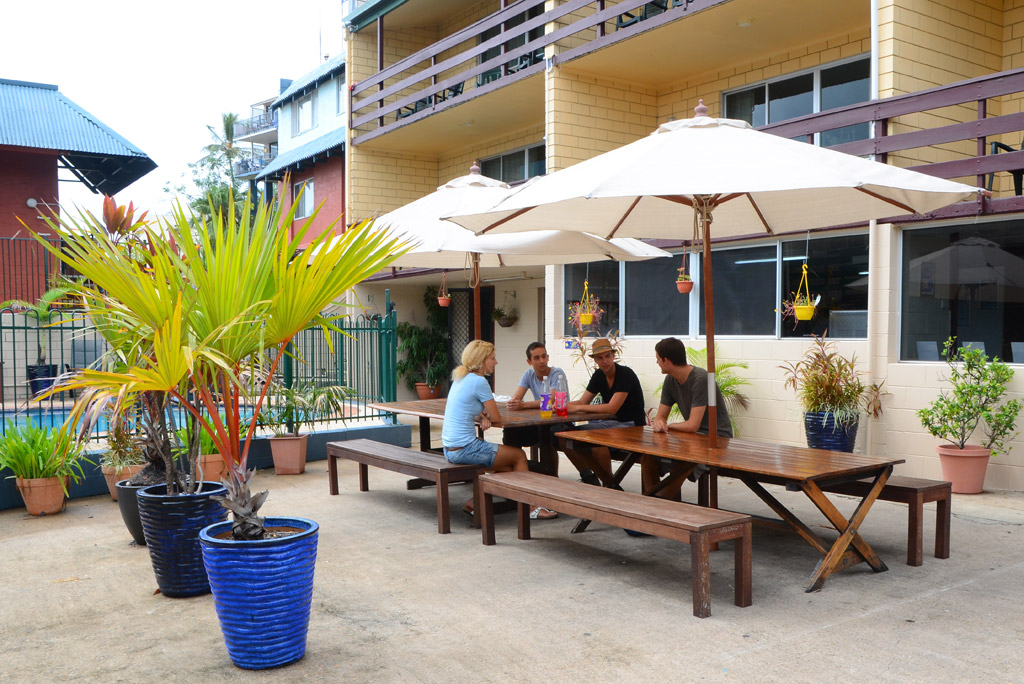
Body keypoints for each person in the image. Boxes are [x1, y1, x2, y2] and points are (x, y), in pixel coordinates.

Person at [442, 340, 528, 516]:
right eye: (493, 358)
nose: (496, 362)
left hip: (450, 449)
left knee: (506, 467)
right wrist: (487, 415)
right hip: (466, 449)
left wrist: (481, 415)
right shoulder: (479, 381)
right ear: (482, 361)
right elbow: (496, 417)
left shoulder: (460, 377)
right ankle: (531, 508)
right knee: (519, 455)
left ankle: (476, 502)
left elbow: (467, 408)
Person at [644, 337, 733, 501]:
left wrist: (667, 426)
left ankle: (660, 503)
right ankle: (653, 500)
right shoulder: (670, 379)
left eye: (658, 359)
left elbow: (692, 425)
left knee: (682, 459)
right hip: (692, 437)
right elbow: (660, 417)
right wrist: (660, 422)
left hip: (716, 438)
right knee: (648, 456)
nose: (656, 362)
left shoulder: (701, 379)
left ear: (667, 361)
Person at [563, 338, 647, 487]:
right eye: (600, 358)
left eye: (608, 356)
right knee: (564, 436)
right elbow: (583, 401)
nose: (605, 361)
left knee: (596, 444)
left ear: (613, 356)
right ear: (595, 360)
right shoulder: (598, 376)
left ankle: (609, 486)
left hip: (633, 426)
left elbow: (611, 408)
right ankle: (593, 478)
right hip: (611, 425)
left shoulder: (625, 374)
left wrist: (576, 408)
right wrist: (561, 406)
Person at [505, 341, 568, 519]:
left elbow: (552, 400)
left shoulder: (557, 373)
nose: (542, 361)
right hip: (539, 421)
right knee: (511, 432)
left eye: (544, 356)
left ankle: (550, 478)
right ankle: (516, 477)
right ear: (529, 361)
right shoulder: (528, 374)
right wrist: (515, 402)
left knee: (549, 435)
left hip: (560, 420)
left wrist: (523, 405)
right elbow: (517, 397)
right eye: (537, 358)